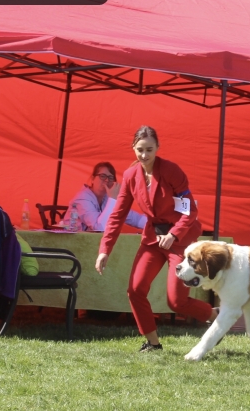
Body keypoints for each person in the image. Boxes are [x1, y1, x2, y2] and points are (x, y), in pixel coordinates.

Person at [95, 126, 218, 352]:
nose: (144, 155)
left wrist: (174, 234)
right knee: (135, 290)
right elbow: (117, 215)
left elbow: (190, 211)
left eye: (149, 150)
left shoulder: (172, 171)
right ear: (133, 148)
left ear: (158, 148)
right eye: (140, 150)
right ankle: (153, 343)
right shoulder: (130, 175)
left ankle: (214, 316)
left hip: (180, 241)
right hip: (152, 239)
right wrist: (105, 250)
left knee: (177, 302)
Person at [66, 162, 147, 232]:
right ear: (93, 179)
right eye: (102, 176)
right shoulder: (82, 198)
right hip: (70, 243)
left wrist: (154, 223)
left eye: (110, 177)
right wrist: (113, 199)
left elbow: (136, 219)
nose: (107, 180)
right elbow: (99, 228)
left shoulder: (108, 198)